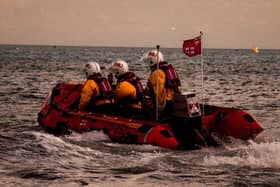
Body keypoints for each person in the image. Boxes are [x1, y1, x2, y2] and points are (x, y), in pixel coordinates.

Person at [142, 49, 181, 119]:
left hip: (165, 104)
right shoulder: (168, 69)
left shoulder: (157, 73)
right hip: (173, 101)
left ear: (152, 61)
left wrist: (158, 109)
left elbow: (159, 92)